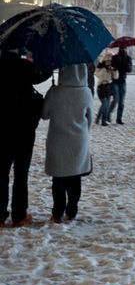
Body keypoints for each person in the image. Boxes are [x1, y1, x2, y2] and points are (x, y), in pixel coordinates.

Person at [41, 63, 93, 223]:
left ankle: (57, 213)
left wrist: (51, 94)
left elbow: (44, 115)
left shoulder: (56, 91)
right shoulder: (86, 92)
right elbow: (89, 119)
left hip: (57, 140)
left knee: (58, 179)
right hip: (79, 140)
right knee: (75, 178)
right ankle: (72, 210)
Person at [0, 51, 47, 227]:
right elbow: (42, 74)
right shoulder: (26, 67)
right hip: (24, 130)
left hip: (3, 130)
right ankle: (19, 215)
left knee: (2, 174)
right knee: (21, 174)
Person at [109, 47, 132, 124]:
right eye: (122, 49)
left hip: (123, 81)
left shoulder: (128, 58)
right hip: (115, 81)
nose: (124, 50)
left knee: (121, 102)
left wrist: (125, 64)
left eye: (125, 49)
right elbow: (112, 67)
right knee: (115, 100)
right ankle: (108, 114)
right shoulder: (115, 57)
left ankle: (119, 118)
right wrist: (116, 67)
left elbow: (129, 69)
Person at [94, 58, 114, 126]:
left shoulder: (111, 69)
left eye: (109, 62)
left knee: (106, 105)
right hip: (101, 87)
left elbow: (116, 77)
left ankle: (100, 119)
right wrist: (104, 69)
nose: (108, 64)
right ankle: (102, 120)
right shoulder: (101, 69)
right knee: (105, 104)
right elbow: (98, 75)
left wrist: (114, 70)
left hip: (108, 87)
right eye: (107, 62)